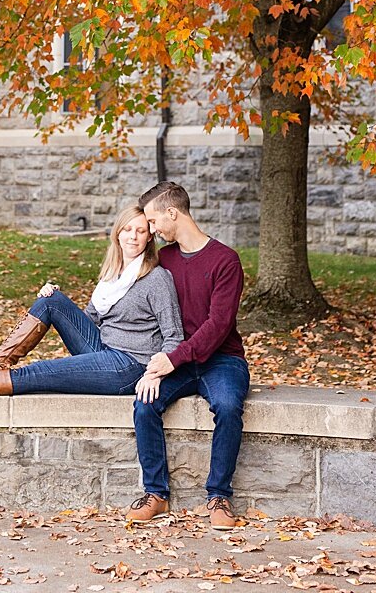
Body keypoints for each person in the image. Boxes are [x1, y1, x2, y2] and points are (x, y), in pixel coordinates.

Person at [0, 206, 183, 399]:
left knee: (37, 373)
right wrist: (60, 304)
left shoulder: (156, 278)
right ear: (117, 233)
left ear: (150, 237)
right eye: (127, 229)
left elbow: (173, 336)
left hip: (127, 366)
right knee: (51, 300)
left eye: (140, 231)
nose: (132, 236)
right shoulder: (113, 275)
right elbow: (90, 320)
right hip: (103, 347)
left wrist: (154, 374)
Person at [124, 180, 249, 529]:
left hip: (222, 359)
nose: (151, 229)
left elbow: (218, 325)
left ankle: (219, 496)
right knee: (145, 403)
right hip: (173, 358)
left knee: (227, 406)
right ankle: (156, 493)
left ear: (172, 213)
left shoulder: (225, 260)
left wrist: (172, 359)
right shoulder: (163, 259)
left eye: (152, 221)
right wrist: (156, 365)